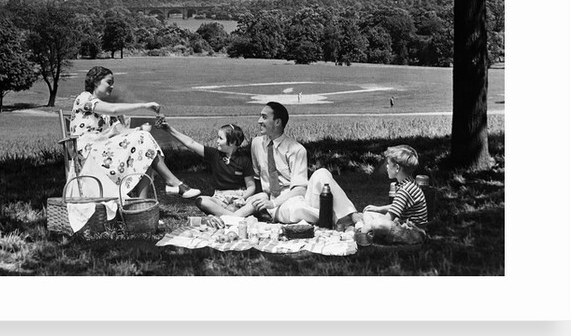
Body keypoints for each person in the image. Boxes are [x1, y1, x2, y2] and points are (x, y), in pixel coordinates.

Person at [70, 66, 201, 200]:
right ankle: (172, 183)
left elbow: (122, 131)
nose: (112, 86)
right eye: (109, 82)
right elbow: (114, 109)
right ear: (96, 81)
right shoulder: (85, 99)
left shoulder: (104, 108)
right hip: (86, 153)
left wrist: (140, 130)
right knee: (144, 142)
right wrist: (144, 106)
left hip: (104, 151)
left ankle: (143, 202)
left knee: (145, 146)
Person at [233, 101, 358, 226]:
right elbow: (257, 177)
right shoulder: (256, 144)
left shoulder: (296, 149)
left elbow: (300, 189)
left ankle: (351, 215)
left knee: (322, 173)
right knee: (297, 209)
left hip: (297, 197)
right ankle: (340, 219)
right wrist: (260, 201)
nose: (259, 121)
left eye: (264, 117)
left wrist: (273, 203)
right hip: (278, 204)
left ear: (277, 122)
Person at [157, 119, 257, 218]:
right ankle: (235, 216)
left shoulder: (244, 160)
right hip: (220, 198)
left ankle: (227, 215)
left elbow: (251, 187)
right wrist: (169, 129)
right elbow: (191, 143)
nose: (217, 141)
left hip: (239, 197)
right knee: (201, 200)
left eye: (220, 138)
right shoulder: (215, 155)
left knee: (262, 197)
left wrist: (242, 198)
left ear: (232, 142)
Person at [359, 144, 428, 243]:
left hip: (414, 233)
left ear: (397, 168)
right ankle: (373, 232)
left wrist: (367, 227)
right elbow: (398, 206)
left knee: (377, 224)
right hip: (406, 227)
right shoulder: (408, 183)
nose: (386, 167)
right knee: (368, 214)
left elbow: (388, 217)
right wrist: (378, 208)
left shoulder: (405, 190)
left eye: (388, 164)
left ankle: (368, 233)